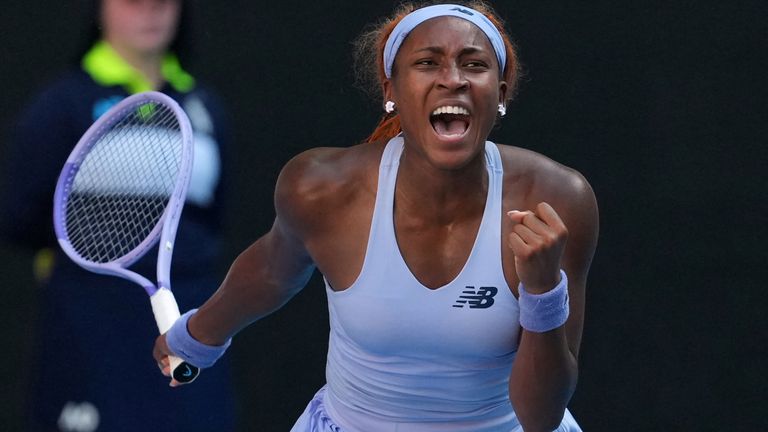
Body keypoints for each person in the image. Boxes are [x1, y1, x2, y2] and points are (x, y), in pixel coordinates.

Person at [154, 1, 598, 431]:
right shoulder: (321, 188)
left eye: (474, 64)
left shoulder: (557, 199)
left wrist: (542, 292)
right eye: (428, 63)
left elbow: (540, 419)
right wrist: (194, 339)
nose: (453, 80)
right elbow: (272, 270)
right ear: (391, 89)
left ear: (499, 94)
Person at [0, 0, 237, 431]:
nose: (151, 11)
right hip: (90, 325)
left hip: (190, 317)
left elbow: (213, 215)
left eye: (163, 1)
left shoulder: (205, 106)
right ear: (99, 10)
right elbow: (20, 214)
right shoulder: (62, 104)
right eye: (132, 0)